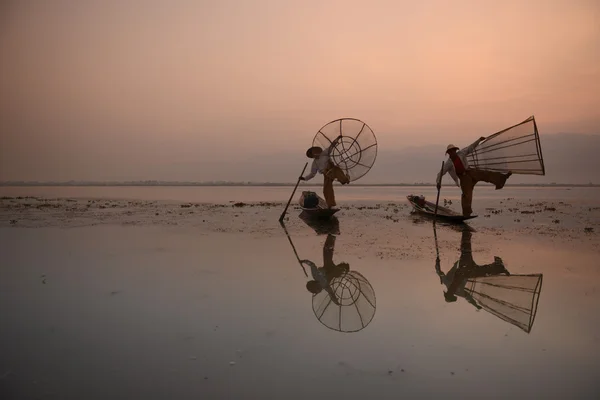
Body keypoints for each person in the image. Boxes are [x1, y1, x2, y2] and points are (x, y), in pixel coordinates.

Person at [435, 228, 510, 308]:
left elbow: (440, 272)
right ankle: (499, 266)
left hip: (467, 271)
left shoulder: (453, 288)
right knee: (470, 256)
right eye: (449, 295)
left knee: (481, 268)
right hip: (466, 270)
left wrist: (437, 264)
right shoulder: (450, 286)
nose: (449, 293)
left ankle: (499, 267)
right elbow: (469, 298)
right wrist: (437, 264)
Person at [437, 137, 512, 216]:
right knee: (467, 195)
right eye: (451, 152)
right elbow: (440, 173)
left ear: (455, 151)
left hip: (470, 171)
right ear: (449, 153)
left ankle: (502, 178)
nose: (453, 152)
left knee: (485, 174)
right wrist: (438, 182)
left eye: (454, 151)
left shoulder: (461, 153)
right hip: (464, 178)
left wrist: (479, 140)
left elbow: (470, 148)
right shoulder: (449, 163)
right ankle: (466, 213)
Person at [300, 136, 350, 208]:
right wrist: (304, 178)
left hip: (332, 169)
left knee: (340, 175)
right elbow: (312, 174)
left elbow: (331, 146)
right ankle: (330, 205)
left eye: (314, 152)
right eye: (313, 154)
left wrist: (337, 139)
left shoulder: (325, 153)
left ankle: (345, 179)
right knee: (326, 190)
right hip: (326, 174)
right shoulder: (315, 163)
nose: (314, 154)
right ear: (312, 156)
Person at [301, 234, 350, 305]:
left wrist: (303, 261)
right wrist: (336, 301)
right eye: (317, 291)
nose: (318, 290)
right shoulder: (325, 285)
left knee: (327, 250)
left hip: (328, 267)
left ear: (315, 285)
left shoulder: (316, 277)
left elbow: (312, 264)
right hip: (334, 271)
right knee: (327, 251)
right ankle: (332, 235)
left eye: (316, 290)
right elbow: (331, 294)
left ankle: (332, 235)